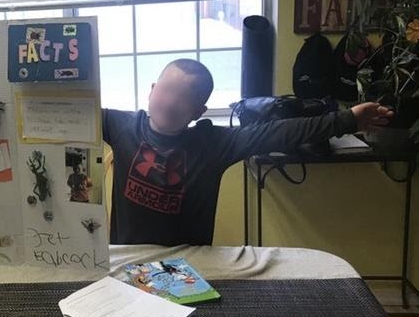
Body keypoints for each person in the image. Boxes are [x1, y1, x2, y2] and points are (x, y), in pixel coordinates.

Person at [102, 58, 393, 246]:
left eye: (184, 97)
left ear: (199, 111)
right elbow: (68, 110)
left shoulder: (213, 144)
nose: (170, 103)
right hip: (127, 259)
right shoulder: (120, 126)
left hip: (188, 268)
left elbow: (279, 133)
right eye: (166, 90)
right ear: (152, 90)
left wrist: (348, 119)